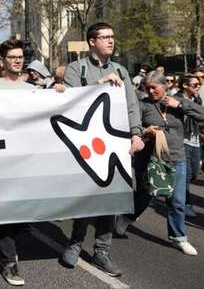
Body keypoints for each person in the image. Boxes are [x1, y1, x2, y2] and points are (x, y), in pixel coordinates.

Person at [59, 22, 144, 277]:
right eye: (105, 37)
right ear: (91, 42)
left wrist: (137, 134)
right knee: (87, 198)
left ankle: (101, 251)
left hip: (115, 144)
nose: (111, 41)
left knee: (112, 199)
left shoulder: (121, 70)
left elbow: (131, 104)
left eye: (112, 36)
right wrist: (100, 86)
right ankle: (75, 241)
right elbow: (69, 102)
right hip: (86, 145)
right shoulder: (76, 69)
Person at [0, 38, 64, 286]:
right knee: (9, 212)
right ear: (3, 61)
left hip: (30, 162)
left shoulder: (34, 89)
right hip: (5, 162)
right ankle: (9, 262)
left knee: (24, 212)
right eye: (12, 57)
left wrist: (61, 94)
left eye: (20, 57)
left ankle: (13, 238)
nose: (18, 61)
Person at [114, 72, 204, 256]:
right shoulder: (143, 105)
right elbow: (131, 128)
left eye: (154, 87)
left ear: (165, 86)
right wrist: (145, 131)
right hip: (151, 160)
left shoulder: (177, 102)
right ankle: (126, 218)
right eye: (147, 87)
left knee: (177, 201)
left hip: (177, 158)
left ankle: (178, 237)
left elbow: (203, 115)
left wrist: (179, 105)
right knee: (145, 196)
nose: (150, 91)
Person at [176, 74, 204, 218]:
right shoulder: (176, 99)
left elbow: (201, 117)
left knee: (195, 173)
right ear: (185, 86)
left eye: (199, 84)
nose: (198, 87)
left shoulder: (196, 99)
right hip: (182, 141)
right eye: (195, 85)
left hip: (195, 140)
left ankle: (177, 193)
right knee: (187, 175)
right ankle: (185, 204)